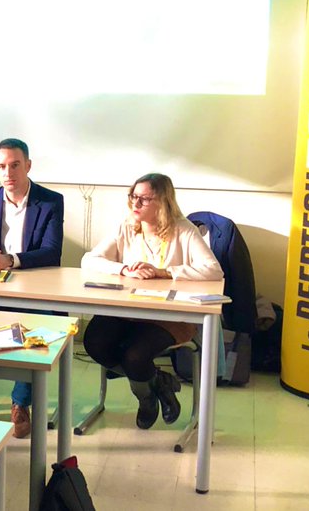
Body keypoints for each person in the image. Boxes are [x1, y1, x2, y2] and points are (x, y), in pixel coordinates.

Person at [80, 173, 223, 431]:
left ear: (164, 202)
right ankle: (157, 382)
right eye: (133, 196)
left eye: (144, 199)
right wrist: (123, 269)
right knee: (94, 342)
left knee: (135, 356)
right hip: (128, 310)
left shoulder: (183, 230)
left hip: (171, 316)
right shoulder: (126, 227)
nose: (135, 204)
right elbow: (89, 260)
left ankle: (145, 398)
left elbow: (213, 270)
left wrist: (165, 272)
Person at [0, 138, 65, 436]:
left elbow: (51, 251)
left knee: (34, 330)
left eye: (15, 165)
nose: (8, 173)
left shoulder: (50, 200)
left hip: (33, 284)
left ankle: (21, 403)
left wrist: (11, 260)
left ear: (28, 166)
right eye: (2, 166)